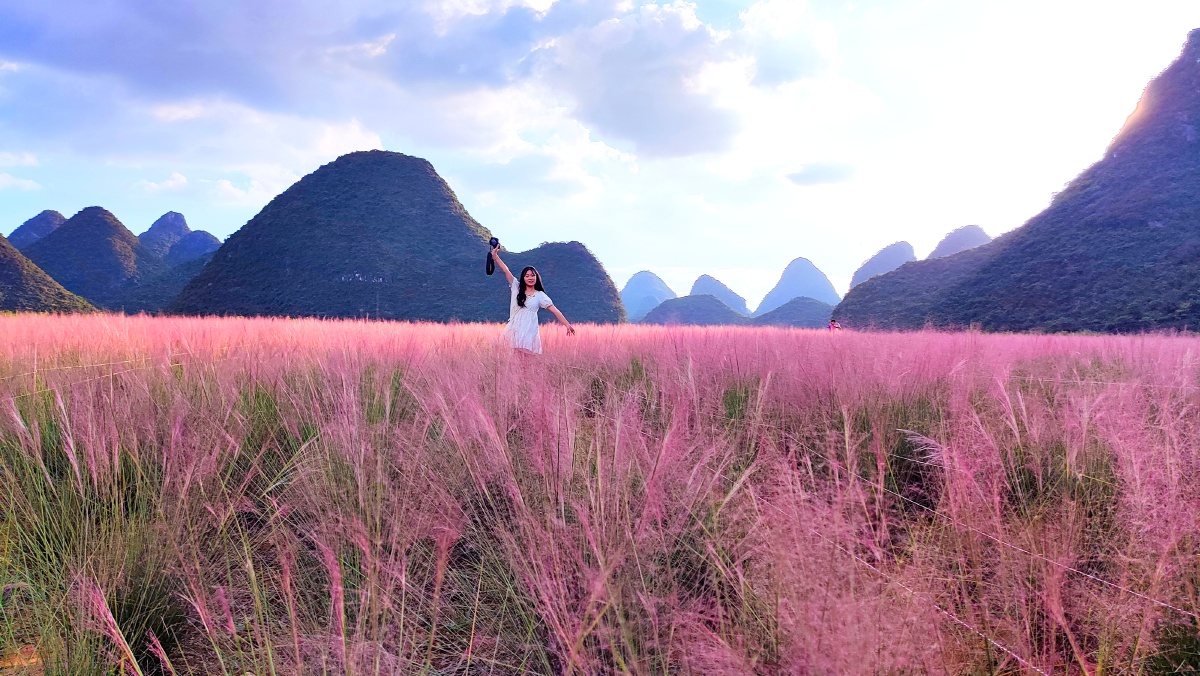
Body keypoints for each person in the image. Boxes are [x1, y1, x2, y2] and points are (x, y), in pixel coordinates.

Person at [490, 247, 575, 354]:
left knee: (526, 361)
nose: (530, 278)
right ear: (523, 278)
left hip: (529, 331)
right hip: (515, 328)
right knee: (513, 359)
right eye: (527, 276)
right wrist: (495, 257)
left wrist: (567, 324)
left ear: (537, 278)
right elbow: (506, 270)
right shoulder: (516, 287)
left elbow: (555, 310)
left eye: (533, 275)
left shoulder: (540, 295)